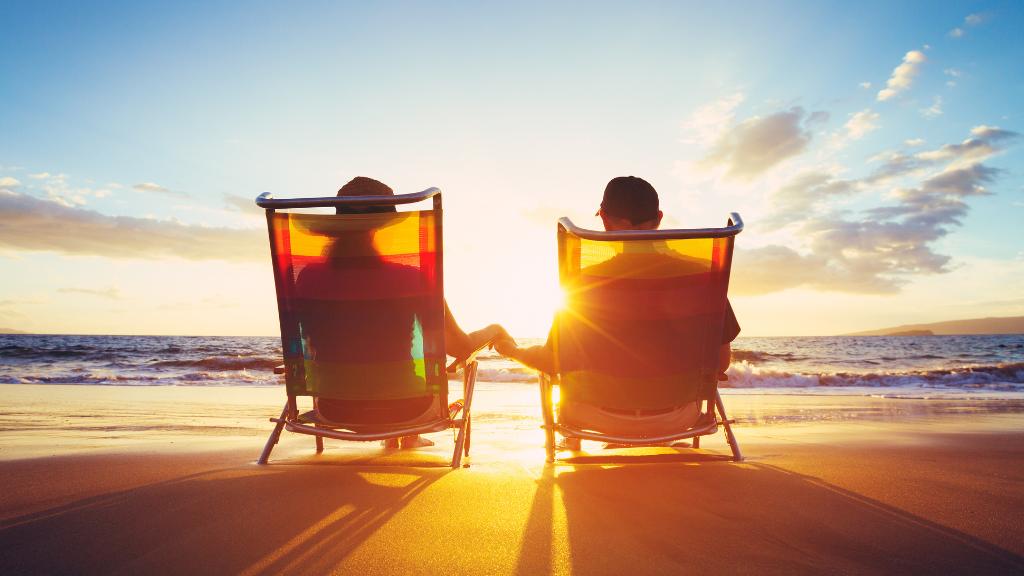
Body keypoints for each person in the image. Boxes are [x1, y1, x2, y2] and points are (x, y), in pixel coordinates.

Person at [494, 176, 740, 449]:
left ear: (605, 220)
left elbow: (552, 363)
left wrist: (512, 350)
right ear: (659, 217)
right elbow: (720, 362)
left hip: (595, 417)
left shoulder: (582, 284)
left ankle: (574, 442)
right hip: (679, 418)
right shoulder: (701, 278)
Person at [296, 176, 506, 449]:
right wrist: (495, 331)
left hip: (334, 407)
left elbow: (314, 343)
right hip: (408, 408)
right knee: (402, 378)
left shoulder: (309, 278)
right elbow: (460, 347)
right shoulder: (411, 278)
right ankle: (408, 434)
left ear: (337, 226)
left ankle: (402, 436)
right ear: (381, 229)